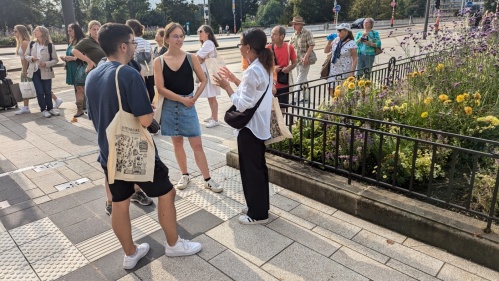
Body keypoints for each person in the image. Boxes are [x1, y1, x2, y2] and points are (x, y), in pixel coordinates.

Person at [86, 23, 202, 269]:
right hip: (135, 152)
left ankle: (130, 253)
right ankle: (174, 244)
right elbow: (146, 120)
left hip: (109, 153)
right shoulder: (127, 73)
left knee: (119, 203)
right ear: (123, 46)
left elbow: (95, 115)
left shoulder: (93, 74)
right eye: (133, 41)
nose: (136, 45)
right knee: (167, 193)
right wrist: (149, 111)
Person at [153, 22, 222, 193]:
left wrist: (193, 98)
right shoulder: (159, 61)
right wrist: (182, 100)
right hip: (170, 106)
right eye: (175, 36)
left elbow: (203, 79)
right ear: (167, 38)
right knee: (177, 144)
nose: (179, 39)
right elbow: (160, 88)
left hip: (188, 105)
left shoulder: (191, 57)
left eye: (182, 36)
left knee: (197, 144)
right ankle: (185, 174)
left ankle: (207, 178)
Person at [214, 28, 273, 224]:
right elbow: (253, 94)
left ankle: (257, 215)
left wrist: (227, 86)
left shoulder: (253, 70)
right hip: (259, 126)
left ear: (248, 47)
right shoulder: (263, 66)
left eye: (240, 44)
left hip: (250, 128)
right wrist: (234, 79)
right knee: (258, 169)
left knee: (251, 171)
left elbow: (241, 104)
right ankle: (259, 207)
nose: (239, 47)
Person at [72, 20, 106, 115]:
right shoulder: (87, 41)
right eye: (94, 29)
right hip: (94, 71)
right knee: (94, 93)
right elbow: (74, 51)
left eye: (98, 29)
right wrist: (89, 61)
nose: (96, 31)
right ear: (89, 30)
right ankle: (93, 112)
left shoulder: (102, 40)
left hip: (105, 70)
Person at [25, 26, 60, 118]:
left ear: (42, 32)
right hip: (34, 71)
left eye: (36, 30)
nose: (34, 32)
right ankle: (43, 110)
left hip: (46, 71)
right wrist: (32, 58)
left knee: (48, 91)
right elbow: (26, 55)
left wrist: (46, 63)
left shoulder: (50, 45)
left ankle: (50, 109)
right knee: (39, 91)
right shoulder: (32, 43)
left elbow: (55, 60)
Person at [196, 25, 221, 128]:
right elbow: (199, 58)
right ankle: (213, 116)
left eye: (201, 31)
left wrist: (200, 58)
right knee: (210, 96)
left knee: (212, 96)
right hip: (207, 71)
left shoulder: (208, 43)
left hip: (210, 72)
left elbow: (198, 57)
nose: (199, 33)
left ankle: (215, 119)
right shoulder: (206, 44)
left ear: (207, 33)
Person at [267, 25, 298, 110]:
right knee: (271, 109)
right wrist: (273, 70)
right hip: (271, 85)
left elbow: (295, 62)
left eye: (274, 34)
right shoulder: (268, 48)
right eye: (271, 34)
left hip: (284, 84)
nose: (271, 36)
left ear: (282, 36)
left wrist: (289, 68)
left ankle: (280, 123)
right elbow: (262, 66)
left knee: (282, 109)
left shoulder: (289, 47)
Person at [324, 23, 357, 95]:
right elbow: (326, 51)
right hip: (333, 69)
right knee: (330, 88)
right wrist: (329, 40)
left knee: (341, 90)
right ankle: (335, 102)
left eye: (340, 30)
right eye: (338, 30)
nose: (338, 32)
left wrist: (352, 72)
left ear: (346, 31)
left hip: (344, 70)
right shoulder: (336, 40)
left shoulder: (351, 43)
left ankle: (339, 104)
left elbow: (355, 58)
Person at [60, 23, 85, 117]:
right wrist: (66, 59)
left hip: (80, 67)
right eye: (68, 30)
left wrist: (70, 58)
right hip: (73, 67)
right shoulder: (73, 41)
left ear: (76, 30)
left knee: (81, 88)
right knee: (78, 88)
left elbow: (82, 55)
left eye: (70, 30)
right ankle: (80, 108)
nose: (68, 32)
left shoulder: (81, 41)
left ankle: (84, 108)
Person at [126, 19, 155, 101]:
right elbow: (151, 56)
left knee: (140, 93)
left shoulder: (131, 42)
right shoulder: (146, 42)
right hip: (149, 71)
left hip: (137, 71)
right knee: (150, 90)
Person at [289, 16, 316, 102]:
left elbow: (311, 45)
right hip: (297, 60)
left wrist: (306, 57)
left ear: (300, 24)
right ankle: (306, 97)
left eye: (295, 24)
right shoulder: (294, 35)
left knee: (300, 79)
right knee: (303, 78)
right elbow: (290, 47)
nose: (293, 26)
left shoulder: (307, 33)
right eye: (293, 24)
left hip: (305, 60)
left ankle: (295, 98)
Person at [13, 25, 32, 115]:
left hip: (27, 68)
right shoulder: (21, 42)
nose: (14, 33)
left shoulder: (25, 43)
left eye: (16, 31)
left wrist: (24, 70)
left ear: (21, 32)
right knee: (28, 87)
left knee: (27, 87)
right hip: (26, 68)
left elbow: (25, 59)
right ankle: (26, 107)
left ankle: (26, 107)